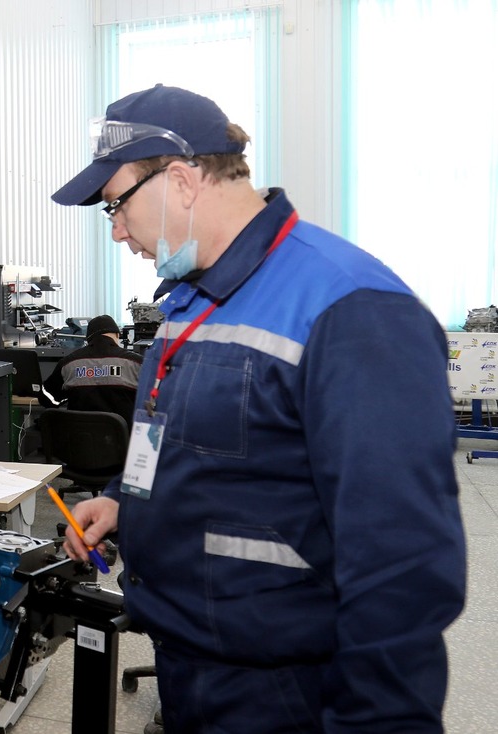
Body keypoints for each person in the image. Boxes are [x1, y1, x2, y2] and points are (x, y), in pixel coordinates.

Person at [52, 84, 466, 732]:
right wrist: (123, 504)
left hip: (292, 691)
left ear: (184, 181)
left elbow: (401, 569)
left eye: (117, 205)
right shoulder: (187, 305)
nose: (117, 231)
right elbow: (176, 444)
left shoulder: (351, 310)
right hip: (192, 668)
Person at [42, 313, 143, 423]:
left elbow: (48, 398)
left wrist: (69, 395)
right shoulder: (136, 363)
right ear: (117, 335)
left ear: (89, 339)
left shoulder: (68, 363)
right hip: (122, 438)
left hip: (79, 437)